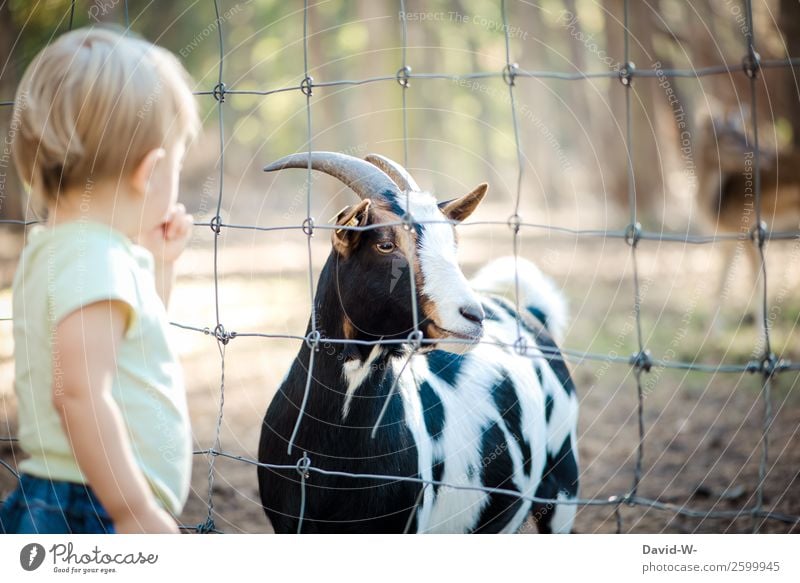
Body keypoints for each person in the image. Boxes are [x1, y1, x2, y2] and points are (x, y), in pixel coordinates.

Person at [0, 25, 200, 534]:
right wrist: (133, 511)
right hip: (89, 507)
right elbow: (78, 393)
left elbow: (129, 343)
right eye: (176, 163)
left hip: (74, 494)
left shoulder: (62, 250)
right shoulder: (94, 260)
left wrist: (160, 263)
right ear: (150, 170)